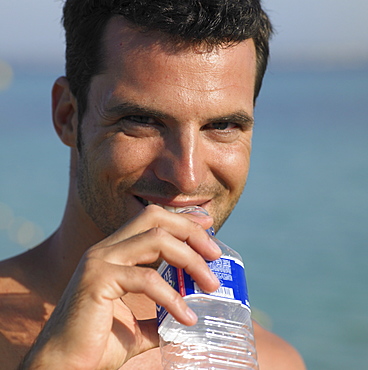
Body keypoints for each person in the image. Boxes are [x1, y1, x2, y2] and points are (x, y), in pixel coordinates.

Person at [0, 1, 306, 369]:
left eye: (222, 126)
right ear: (67, 115)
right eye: (142, 120)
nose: (186, 177)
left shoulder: (274, 361)